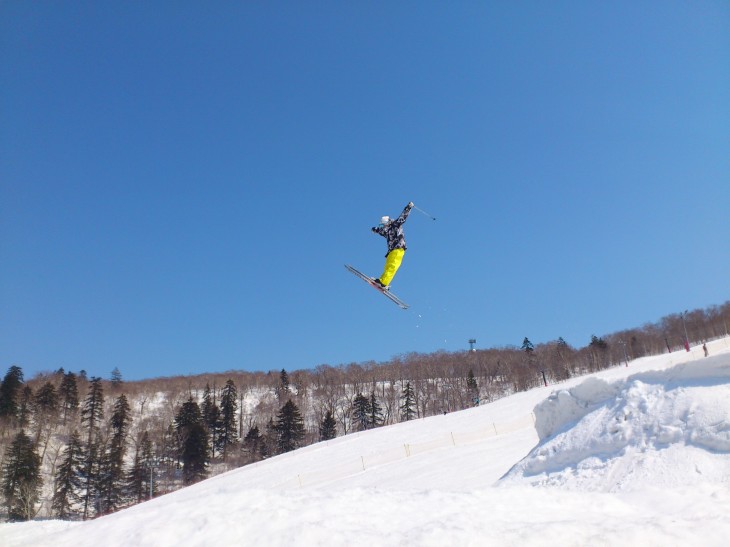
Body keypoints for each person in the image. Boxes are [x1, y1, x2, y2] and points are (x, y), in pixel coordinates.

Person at [371, 201, 414, 289]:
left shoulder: (395, 225)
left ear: (387, 222)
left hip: (398, 249)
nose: (382, 226)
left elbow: (403, 217)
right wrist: (375, 229)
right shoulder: (386, 231)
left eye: (382, 224)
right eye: (381, 225)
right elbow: (381, 231)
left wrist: (408, 208)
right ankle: (382, 280)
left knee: (392, 266)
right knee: (387, 266)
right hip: (391, 251)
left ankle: (384, 283)